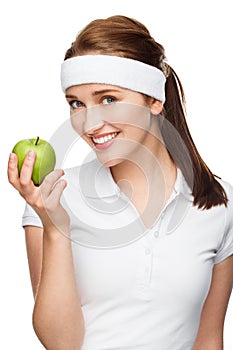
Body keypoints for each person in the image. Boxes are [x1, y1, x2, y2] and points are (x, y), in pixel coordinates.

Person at [8, 15, 233, 350]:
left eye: (108, 99)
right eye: (76, 103)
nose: (90, 122)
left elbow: (209, 339)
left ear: (155, 100)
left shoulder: (218, 204)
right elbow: (61, 344)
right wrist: (55, 227)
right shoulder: (54, 197)